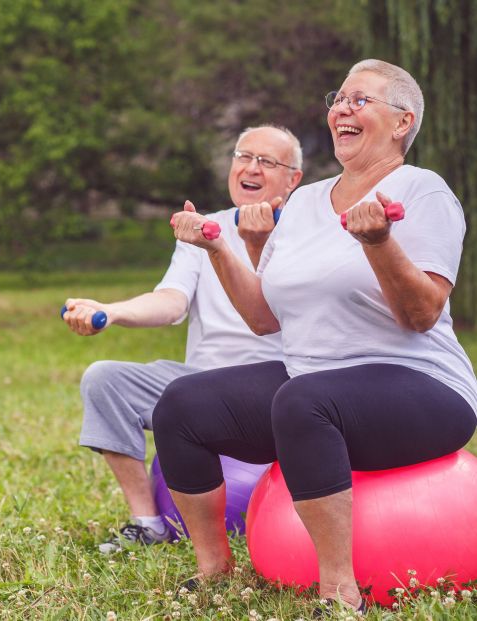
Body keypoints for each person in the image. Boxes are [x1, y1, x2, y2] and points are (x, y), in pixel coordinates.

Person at [156, 59, 477, 613]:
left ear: (402, 123)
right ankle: (213, 567)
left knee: (304, 402)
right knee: (183, 405)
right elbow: (265, 318)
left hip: (423, 387)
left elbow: (421, 314)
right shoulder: (304, 202)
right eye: (339, 98)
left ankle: (338, 588)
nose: (342, 109)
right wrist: (216, 249)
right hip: (311, 383)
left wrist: (378, 242)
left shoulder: (424, 191)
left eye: (361, 99)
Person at [63, 125, 303, 553]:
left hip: (274, 391)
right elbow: (171, 301)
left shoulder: (306, 233)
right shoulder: (204, 228)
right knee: (104, 379)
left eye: (267, 161)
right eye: (242, 156)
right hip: (198, 384)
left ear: (293, 179)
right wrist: (112, 312)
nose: (250, 168)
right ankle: (147, 521)